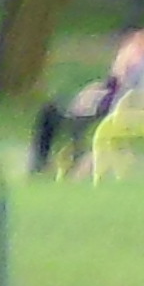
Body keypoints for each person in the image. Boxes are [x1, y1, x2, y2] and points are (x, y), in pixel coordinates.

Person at [31, 23, 144, 174]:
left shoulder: (133, 57)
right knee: (57, 109)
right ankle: (55, 158)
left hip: (117, 107)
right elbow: (115, 83)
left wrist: (97, 93)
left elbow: (121, 86)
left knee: (53, 111)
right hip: (117, 105)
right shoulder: (133, 56)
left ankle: (49, 160)